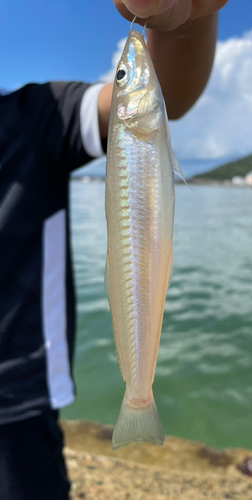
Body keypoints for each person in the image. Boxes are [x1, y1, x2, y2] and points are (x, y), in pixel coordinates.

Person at [0, 0, 228, 499]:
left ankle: (138, 396)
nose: (129, 76)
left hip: (16, 401)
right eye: (126, 74)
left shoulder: (35, 116)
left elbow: (174, 91)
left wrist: (193, 15)